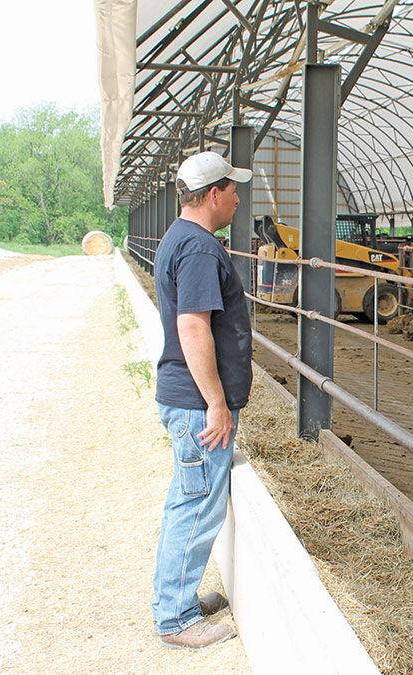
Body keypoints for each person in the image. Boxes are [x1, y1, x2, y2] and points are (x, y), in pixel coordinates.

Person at [150, 150, 253, 648]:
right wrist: (215, 400)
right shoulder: (198, 249)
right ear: (213, 193)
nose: (237, 199)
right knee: (194, 506)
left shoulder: (183, 238)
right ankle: (175, 619)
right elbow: (193, 325)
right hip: (197, 404)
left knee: (188, 499)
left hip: (187, 397)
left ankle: (181, 600)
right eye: (233, 190)